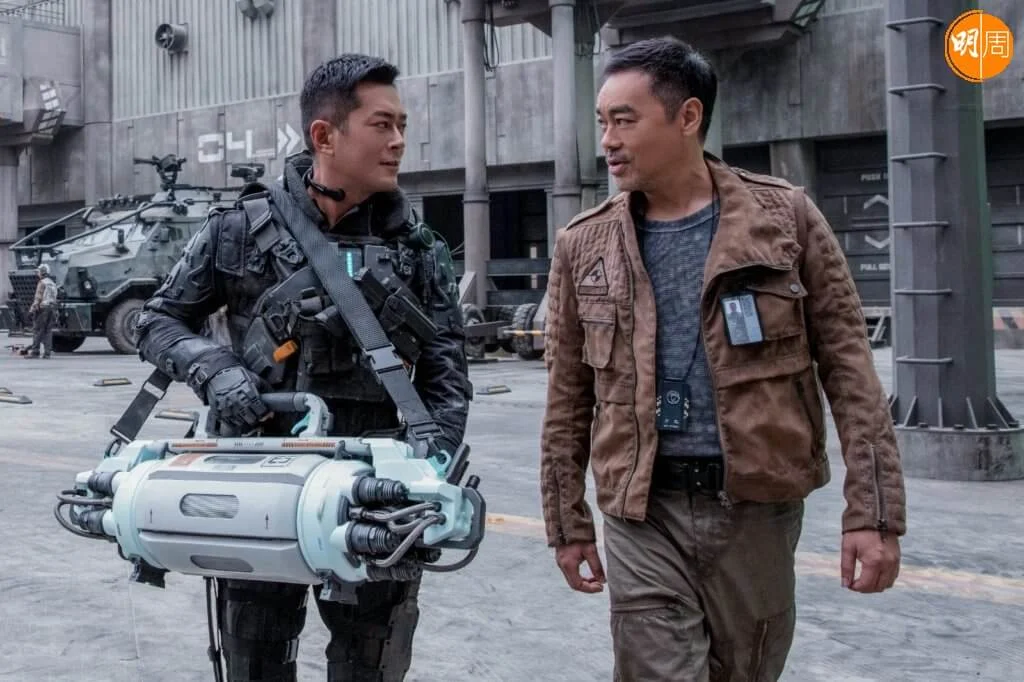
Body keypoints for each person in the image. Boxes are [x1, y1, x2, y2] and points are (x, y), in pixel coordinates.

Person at [539, 37, 905, 681]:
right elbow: (567, 397)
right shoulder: (584, 244)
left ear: (688, 117)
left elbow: (851, 371)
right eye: (602, 123)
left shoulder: (785, 220)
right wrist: (567, 521)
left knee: (747, 669)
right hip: (641, 510)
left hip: (756, 509)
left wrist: (872, 514)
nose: (608, 142)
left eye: (624, 120)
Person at [133, 53, 472, 682]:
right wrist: (216, 370)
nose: (399, 141)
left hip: (376, 491)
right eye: (381, 125)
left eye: (402, 124)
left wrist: (432, 467)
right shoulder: (236, 229)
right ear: (325, 135)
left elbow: (447, 369)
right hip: (257, 481)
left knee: (370, 664)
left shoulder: (419, 248)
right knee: (255, 660)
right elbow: (156, 322)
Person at [23, 263, 58, 358]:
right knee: (48, 331)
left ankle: (35, 352)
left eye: (38, 271)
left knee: (37, 330)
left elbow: (38, 298)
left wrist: (31, 311)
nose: (38, 273)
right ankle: (47, 354)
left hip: (43, 309)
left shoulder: (42, 283)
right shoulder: (52, 283)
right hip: (52, 308)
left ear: (42, 272)